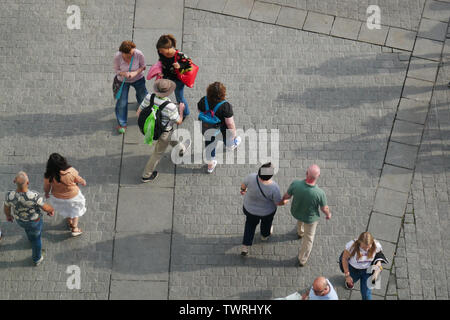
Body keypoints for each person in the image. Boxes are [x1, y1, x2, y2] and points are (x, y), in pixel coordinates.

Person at [138, 79, 191, 182]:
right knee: (157, 153)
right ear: (169, 91)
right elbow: (179, 121)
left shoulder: (149, 97)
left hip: (149, 129)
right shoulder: (170, 107)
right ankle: (146, 175)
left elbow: (138, 112)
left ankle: (181, 148)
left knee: (171, 137)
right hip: (164, 132)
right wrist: (181, 110)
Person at [281, 164, 331, 267]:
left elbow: (287, 196)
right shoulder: (320, 193)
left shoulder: (295, 184)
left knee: (300, 221)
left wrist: (282, 200)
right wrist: (328, 214)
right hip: (310, 219)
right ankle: (302, 259)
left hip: (297, 212)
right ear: (318, 176)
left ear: (306, 173)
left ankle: (300, 232)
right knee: (309, 239)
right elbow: (324, 208)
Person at [3, 171, 55, 265]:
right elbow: (45, 207)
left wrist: (8, 216)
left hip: (20, 220)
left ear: (14, 181)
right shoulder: (34, 196)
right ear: (27, 183)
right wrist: (51, 210)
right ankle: (37, 258)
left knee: (28, 229)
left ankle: (30, 239)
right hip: (34, 221)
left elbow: (6, 208)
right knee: (37, 240)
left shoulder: (9, 195)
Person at [239, 163, 287, 256]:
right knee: (266, 224)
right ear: (270, 176)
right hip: (267, 212)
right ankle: (264, 236)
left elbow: (243, 185)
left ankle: (245, 246)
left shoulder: (251, 177)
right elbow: (278, 202)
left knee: (249, 225)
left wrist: (242, 190)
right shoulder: (274, 187)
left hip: (250, 209)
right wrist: (285, 201)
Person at [197, 82, 241, 173]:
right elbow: (229, 123)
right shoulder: (225, 106)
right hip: (223, 129)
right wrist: (234, 134)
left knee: (209, 145)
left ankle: (210, 165)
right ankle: (230, 145)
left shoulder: (203, 100)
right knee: (228, 138)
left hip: (207, 128)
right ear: (223, 93)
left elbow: (200, 111)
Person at [43, 153, 87, 236]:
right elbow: (78, 179)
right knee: (75, 211)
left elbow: (46, 187)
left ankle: (69, 221)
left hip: (58, 197)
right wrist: (83, 182)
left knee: (66, 209)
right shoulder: (70, 171)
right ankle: (74, 228)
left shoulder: (48, 175)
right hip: (73, 197)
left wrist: (46, 193)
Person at [340, 232, 388, 300]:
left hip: (367, 271)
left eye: (368, 247)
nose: (366, 250)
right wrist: (347, 275)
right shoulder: (351, 246)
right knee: (351, 281)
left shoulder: (376, 246)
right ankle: (349, 283)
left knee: (367, 294)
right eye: (363, 247)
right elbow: (344, 259)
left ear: (372, 243)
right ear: (359, 242)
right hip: (353, 269)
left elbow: (378, 260)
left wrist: (375, 275)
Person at [114, 40, 148, 133]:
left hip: (138, 79)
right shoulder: (118, 56)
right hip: (123, 81)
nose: (131, 55)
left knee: (143, 97)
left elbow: (143, 66)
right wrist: (123, 73)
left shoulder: (138, 54)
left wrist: (135, 73)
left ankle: (146, 116)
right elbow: (116, 70)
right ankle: (122, 123)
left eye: (133, 52)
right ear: (122, 53)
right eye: (129, 54)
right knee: (122, 102)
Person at [156, 34, 192, 118]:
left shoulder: (180, 55)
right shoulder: (160, 53)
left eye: (161, 50)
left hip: (178, 80)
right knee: (161, 93)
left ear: (168, 49)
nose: (160, 52)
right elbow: (161, 60)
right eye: (159, 50)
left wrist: (180, 66)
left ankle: (185, 113)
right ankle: (161, 109)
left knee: (179, 97)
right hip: (166, 77)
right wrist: (160, 71)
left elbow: (189, 65)